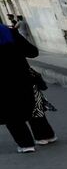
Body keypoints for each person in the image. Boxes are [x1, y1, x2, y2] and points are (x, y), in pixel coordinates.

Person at [0, 23, 56, 153]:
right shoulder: (10, 33)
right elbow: (33, 52)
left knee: (11, 115)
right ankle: (45, 136)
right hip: (23, 79)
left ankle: (26, 145)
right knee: (33, 108)